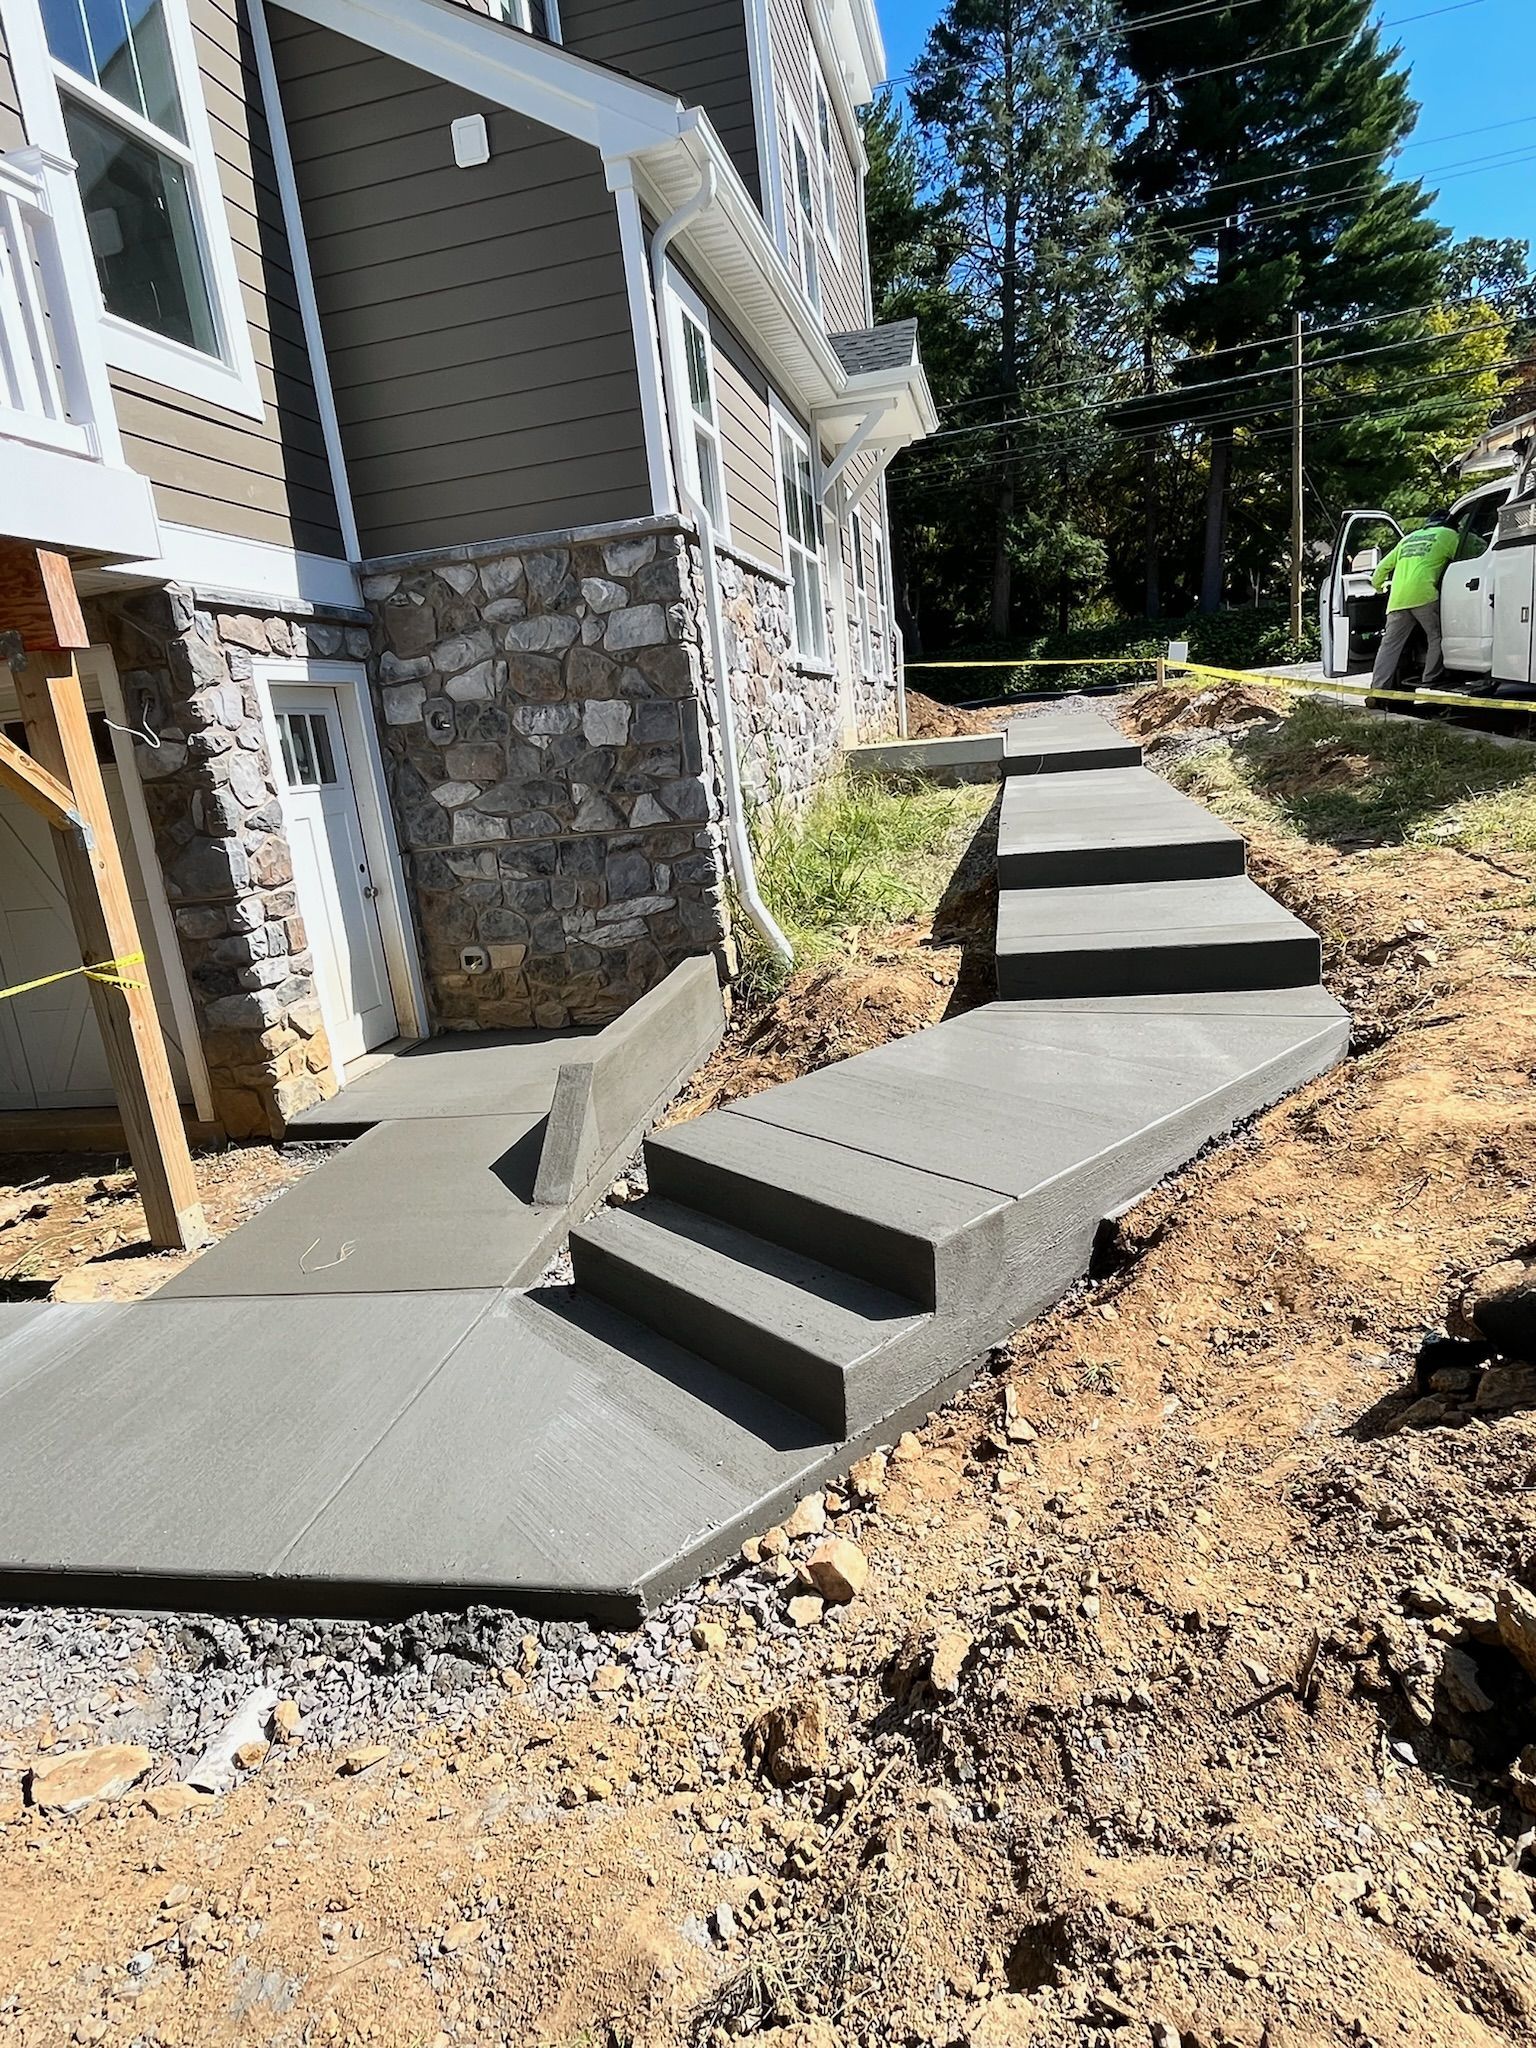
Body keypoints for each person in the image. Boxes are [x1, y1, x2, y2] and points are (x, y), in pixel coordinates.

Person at [1369, 510, 1461, 691]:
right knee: (1435, 637)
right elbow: (1467, 557)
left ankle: (1377, 688)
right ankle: (1430, 678)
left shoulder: (1407, 539)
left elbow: (1380, 570)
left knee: (1389, 646)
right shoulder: (1449, 535)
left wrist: (1380, 587)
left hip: (1397, 599)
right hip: (1424, 596)